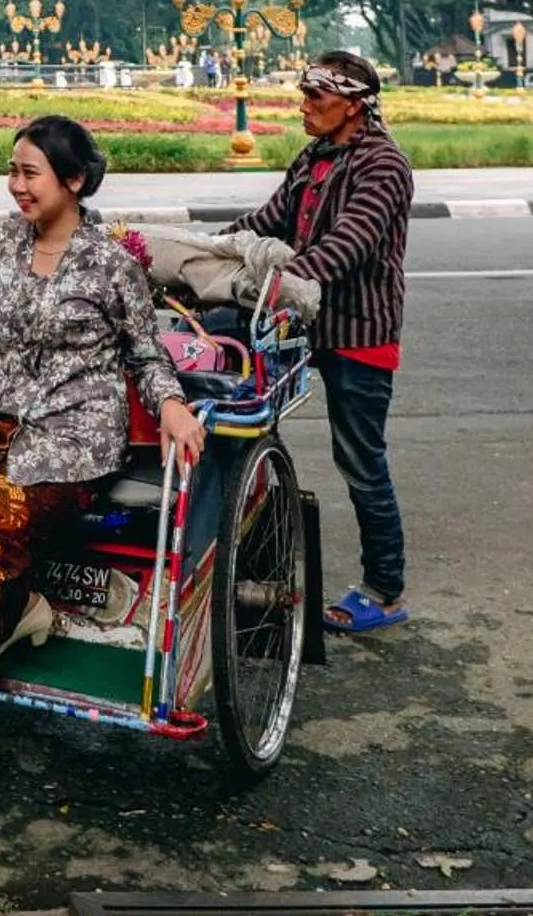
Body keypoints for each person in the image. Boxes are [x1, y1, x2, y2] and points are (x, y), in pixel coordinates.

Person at [0, 116, 206, 853]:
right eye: (12, 171)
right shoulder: (5, 243)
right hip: (5, 422)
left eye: (30, 173)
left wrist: (172, 405)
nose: (16, 186)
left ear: (73, 181)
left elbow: (146, 355)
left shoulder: (110, 265)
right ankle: (15, 608)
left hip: (75, 443)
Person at [225, 49, 415, 634]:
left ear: (353, 105)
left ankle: (384, 591)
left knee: (361, 463)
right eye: (304, 96)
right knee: (242, 424)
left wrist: (279, 283)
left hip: (359, 334)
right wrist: (203, 251)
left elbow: (346, 246)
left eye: (316, 97)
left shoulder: (383, 164)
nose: (303, 107)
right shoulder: (314, 157)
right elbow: (265, 222)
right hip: (302, 325)